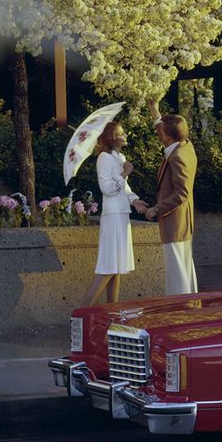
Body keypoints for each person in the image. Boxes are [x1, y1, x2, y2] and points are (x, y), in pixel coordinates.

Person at [83, 121, 147, 306]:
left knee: (117, 266)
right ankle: (81, 312)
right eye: (121, 133)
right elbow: (107, 188)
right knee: (109, 266)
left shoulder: (119, 156)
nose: (125, 135)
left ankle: (112, 311)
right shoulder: (103, 158)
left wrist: (134, 201)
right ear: (112, 138)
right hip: (112, 216)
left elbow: (123, 188)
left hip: (122, 214)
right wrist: (125, 173)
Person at [145, 98, 198, 295]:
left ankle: (180, 312)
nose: (159, 131)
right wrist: (154, 109)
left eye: (162, 130)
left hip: (175, 221)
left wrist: (156, 209)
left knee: (177, 271)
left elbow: (181, 194)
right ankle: (189, 308)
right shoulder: (184, 146)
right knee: (184, 267)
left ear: (168, 137)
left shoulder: (178, 157)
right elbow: (161, 126)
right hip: (182, 221)